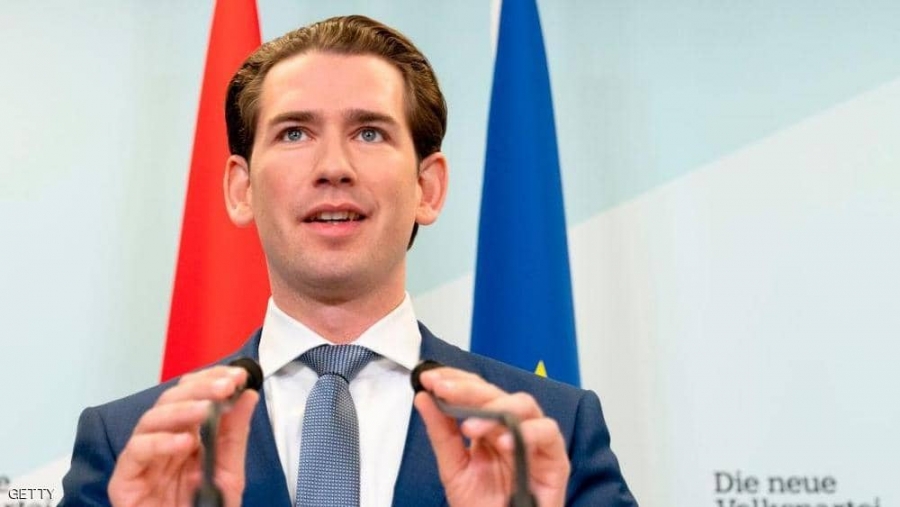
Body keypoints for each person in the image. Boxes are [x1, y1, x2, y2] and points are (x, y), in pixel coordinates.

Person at [60, 15, 637, 507]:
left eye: (369, 133)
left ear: (428, 187)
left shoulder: (553, 433)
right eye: (294, 133)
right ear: (241, 189)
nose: (333, 167)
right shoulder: (125, 447)